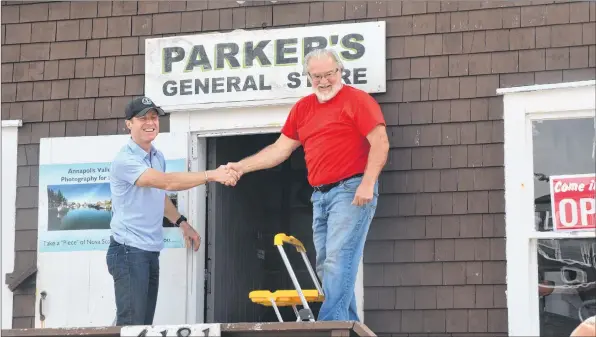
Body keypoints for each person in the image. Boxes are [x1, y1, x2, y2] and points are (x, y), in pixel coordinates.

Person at [224, 48, 389, 321]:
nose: (324, 81)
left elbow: (380, 143)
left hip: (351, 189)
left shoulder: (358, 100)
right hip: (320, 196)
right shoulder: (303, 108)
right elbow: (279, 150)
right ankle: (347, 325)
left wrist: (368, 183)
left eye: (329, 74)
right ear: (308, 76)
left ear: (340, 71)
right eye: (316, 76)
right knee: (327, 266)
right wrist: (240, 167)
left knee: (338, 260)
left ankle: (329, 326)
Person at [107, 96, 238, 326]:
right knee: (130, 326)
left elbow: (159, 195)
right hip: (128, 252)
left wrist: (182, 223)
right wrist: (212, 175)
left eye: (154, 117)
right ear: (129, 124)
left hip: (149, 251)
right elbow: (167, 182)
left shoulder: (157, 156)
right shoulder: (125, 160)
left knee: (143, 327)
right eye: (142, 118)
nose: (150, 123)